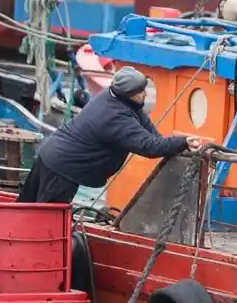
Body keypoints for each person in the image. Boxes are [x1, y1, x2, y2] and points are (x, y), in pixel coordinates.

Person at [17, 66, 202, 203]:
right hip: (62, 167)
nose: (145, 94)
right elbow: (149, 147)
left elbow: (152, 135)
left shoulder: (116, 97)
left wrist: (177, 145)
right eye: (140, 91)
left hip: (51, 154)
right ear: (128, 94)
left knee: (29, 208)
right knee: (47, 218)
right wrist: (183, 141)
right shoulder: (114, 116)